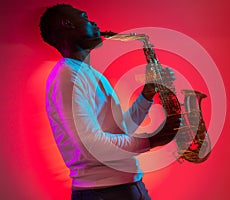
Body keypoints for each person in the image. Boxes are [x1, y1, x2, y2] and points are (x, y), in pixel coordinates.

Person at [39, 4, 180, 200]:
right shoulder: (66, 76)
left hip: (124, 188)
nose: (94, 23)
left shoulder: (90, 74)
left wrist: (146, 96)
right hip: (105, 192)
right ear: (67, 23)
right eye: (85, 18)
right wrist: (152, 140)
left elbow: (121, 130)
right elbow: (91, 146)